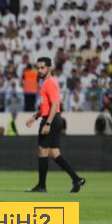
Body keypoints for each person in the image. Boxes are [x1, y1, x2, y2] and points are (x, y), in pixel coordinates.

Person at [26, 57, 85, 193]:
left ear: (49, 68)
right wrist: (34, 117)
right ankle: (76, 179)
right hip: (54, 118)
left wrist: (47, 123)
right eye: (38, 67)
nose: (39, 70)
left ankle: (41, 186)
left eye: (42, 67)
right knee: (54, 153)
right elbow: (46, 106)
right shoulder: (47, 83)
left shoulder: (49, 83)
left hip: (51, 119)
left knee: (42, 150)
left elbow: (55, 104)